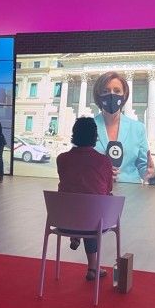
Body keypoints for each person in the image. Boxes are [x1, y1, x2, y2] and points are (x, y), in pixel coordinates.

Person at [56, 117, 114, 281]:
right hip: (93, 222)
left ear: (74, 135)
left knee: (83, 208)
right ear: (95, 136)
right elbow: (108, 189)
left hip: (65, 222)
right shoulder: (104, 161)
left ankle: (76, 237)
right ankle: (92, 268)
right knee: (94, 212)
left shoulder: (62, 159)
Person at [92, 72, 155, 184]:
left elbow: (143, 166)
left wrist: (152, 174)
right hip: (96, 190)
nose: (111, 95)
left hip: (131, 191)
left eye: (117, 91)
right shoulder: (85, 128)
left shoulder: (137, 128)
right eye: (105, 91)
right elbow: (78, 164)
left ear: (124, 95)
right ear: (99, 95)